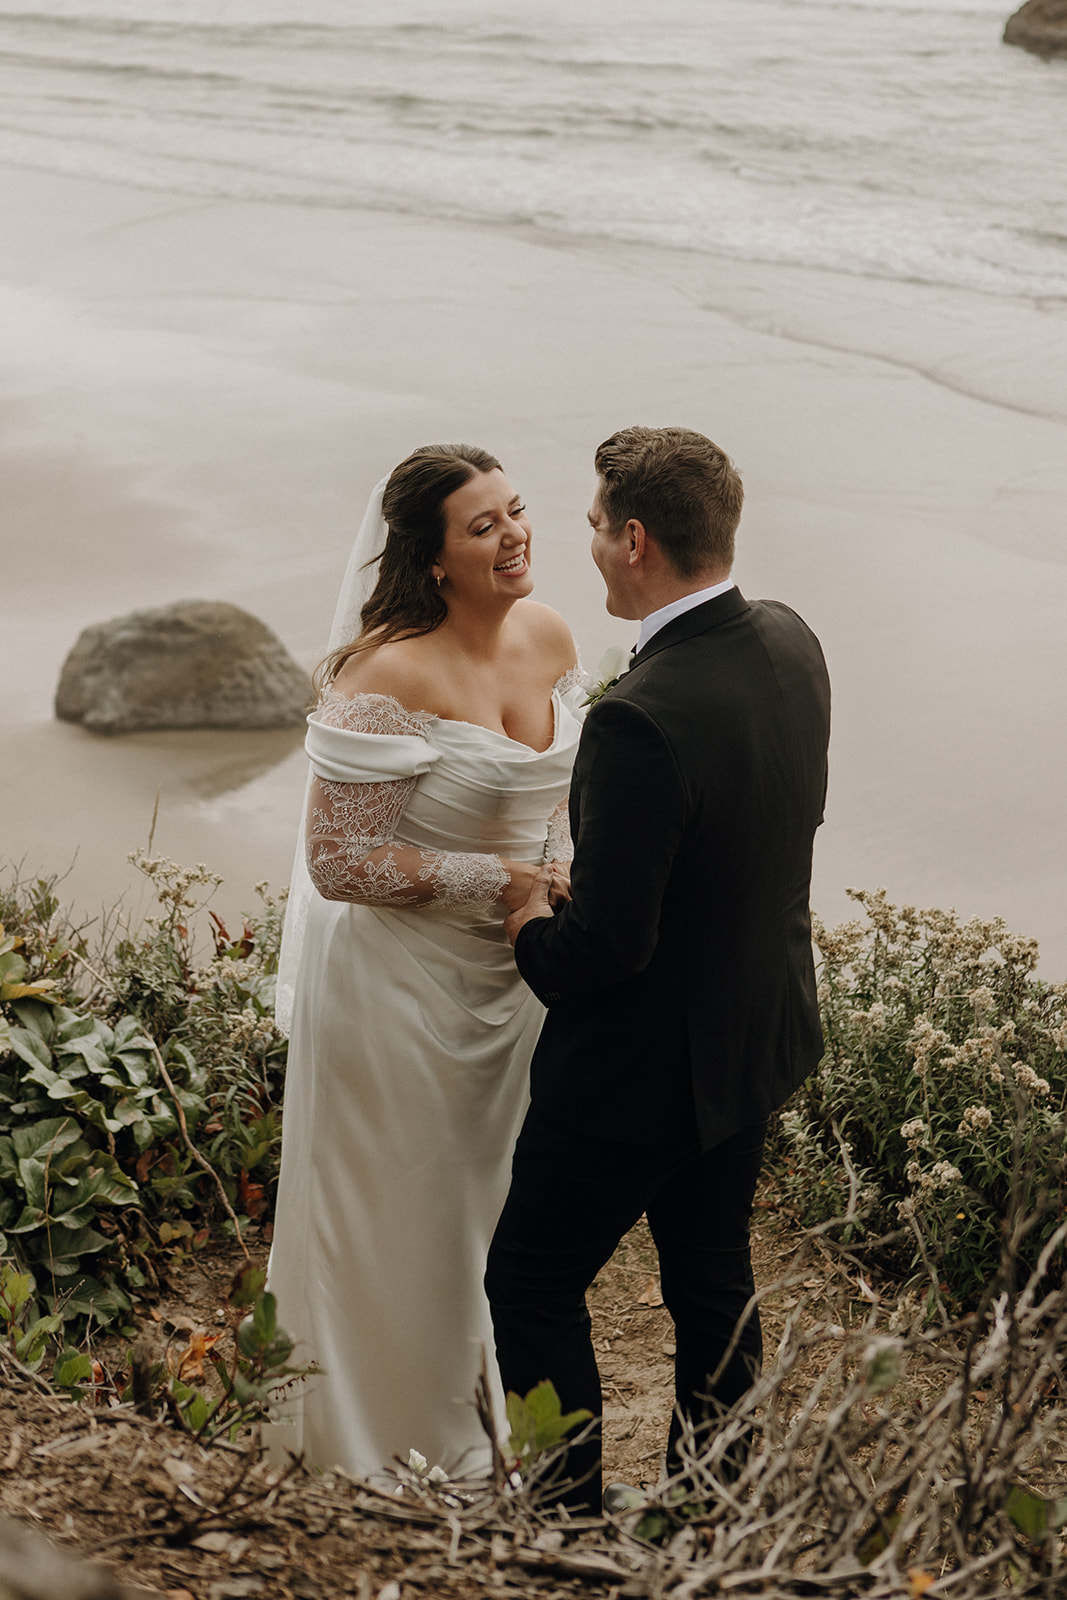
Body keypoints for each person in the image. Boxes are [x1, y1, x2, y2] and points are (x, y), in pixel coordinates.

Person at [485, 425, 831, 1513]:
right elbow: (758, 828)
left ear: (633, 540)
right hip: (753, 1035)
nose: (580, 540)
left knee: (529, 1281)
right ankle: (714, 1510)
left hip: (636, 1075)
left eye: (589, 523)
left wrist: (526, 915)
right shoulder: (788, 639)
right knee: (709, 1275)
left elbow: (602, 953)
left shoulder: (637, 719)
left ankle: (561, 1519)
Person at [266, 443, 583, 1481]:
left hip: (514, 987)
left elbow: (567, 798)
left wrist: (560, 873)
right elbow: (338, 860)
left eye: (516, 512)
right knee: (403, 1223)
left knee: (492, 1224)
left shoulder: (549, 635)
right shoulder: (385, 671)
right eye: (481, 526)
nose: (513, 535)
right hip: (394, 992)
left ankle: (491, 1436)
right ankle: (381, 1445)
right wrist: (498, 882)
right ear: (431, 558)